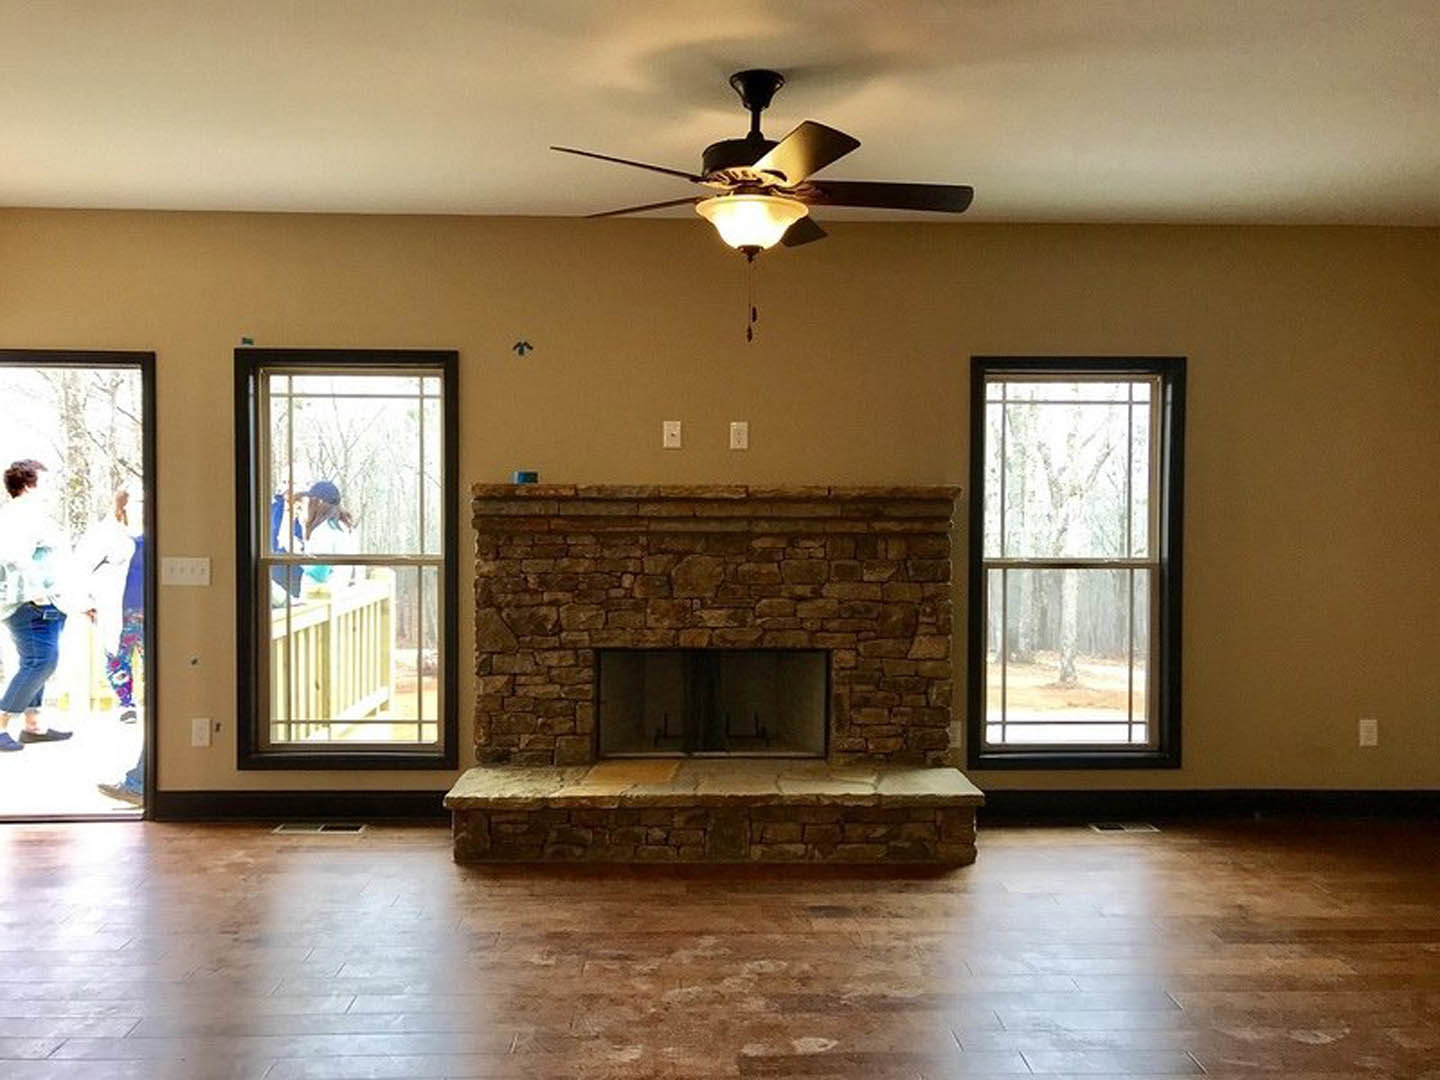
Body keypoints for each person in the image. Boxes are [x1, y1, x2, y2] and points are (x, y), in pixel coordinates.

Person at [0, 460, 94, 751]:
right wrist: (39, 593)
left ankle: (33, 724)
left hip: (47, 600)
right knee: (41, 661)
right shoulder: (18, 514)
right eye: (46, 482)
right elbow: (14, 556)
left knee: (40, 661)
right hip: (31, 601)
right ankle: (3, 723)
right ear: (28, 484)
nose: (51, 488)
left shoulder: (32, 515)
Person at [80, 486, 145, 722]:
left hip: (151, 608)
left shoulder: (161, 530)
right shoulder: (107, 533)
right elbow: (83, 568)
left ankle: (159, 702)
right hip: (119, 608)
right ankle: (126, 705)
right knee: (118, 657)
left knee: (157, 658)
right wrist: (86, 601)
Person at [297, 480, 357, 594]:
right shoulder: (346, 527)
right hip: (342, 594)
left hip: (322, 596)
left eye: (310, 500)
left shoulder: (324, 531)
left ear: (319, 502)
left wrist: (297, 558)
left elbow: (320, 572)